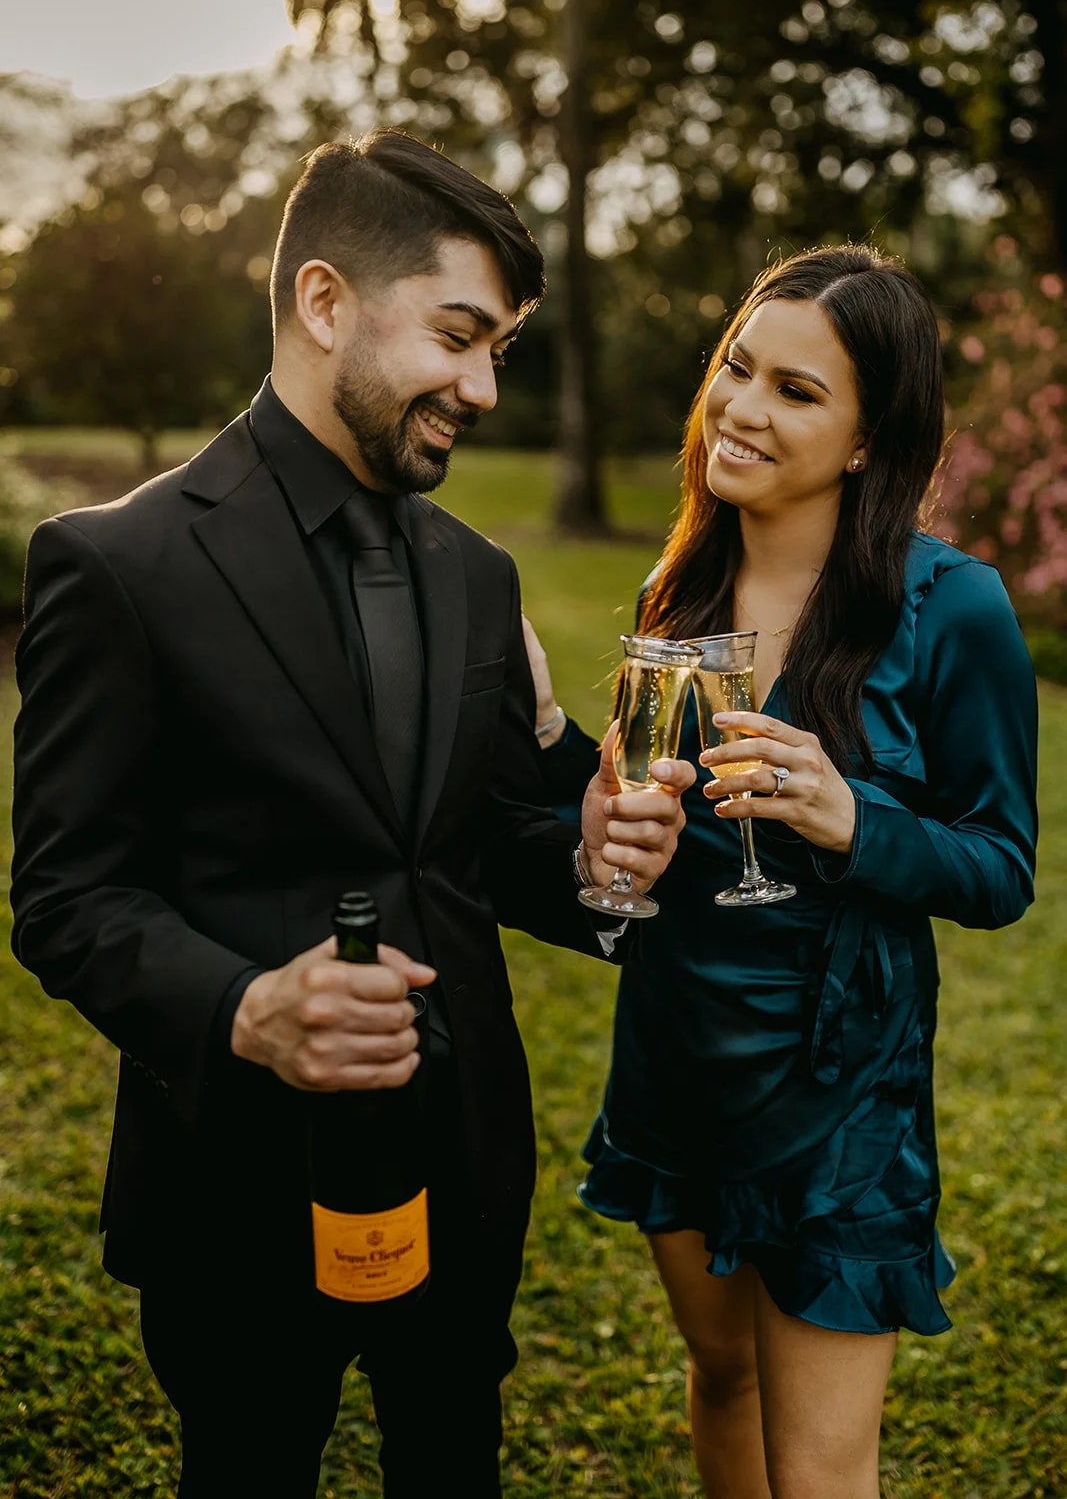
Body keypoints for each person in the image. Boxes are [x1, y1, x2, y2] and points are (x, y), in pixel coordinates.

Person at [9, 130, 695, 1498]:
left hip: (462, 1158)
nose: (483, 384)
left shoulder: (478, 574)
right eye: (457, 334)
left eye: (496, 347)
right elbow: (68, 899)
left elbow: (482, 843)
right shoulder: (120, 565)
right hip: (234, 1189)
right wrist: (243, 1008)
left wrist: (589, 855)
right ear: (326, 304)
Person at [525, 245, 1038, 1499]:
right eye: (738, 370)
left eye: (797, 392)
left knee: (817, 1469)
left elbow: (998, 865)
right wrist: (603, 837)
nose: (744, 410)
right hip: (675, 1052)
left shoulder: (950, 608)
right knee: (720, 1378)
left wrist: (852, 819)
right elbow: (639, 838)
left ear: (869, 440)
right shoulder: (680, 581)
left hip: (838, 1083)